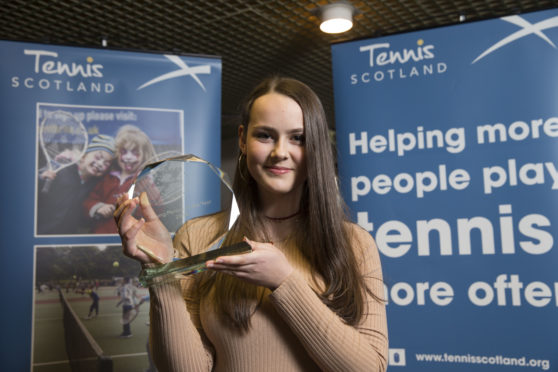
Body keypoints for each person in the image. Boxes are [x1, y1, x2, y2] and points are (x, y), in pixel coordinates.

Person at [114, 77, 388, 371]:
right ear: (243, 139)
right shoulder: (198, 236)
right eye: (265, 135)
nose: (280, 151)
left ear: (317, 146)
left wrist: (284, 280)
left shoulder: (354, 243)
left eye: (298, 138)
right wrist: (161, 270)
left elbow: (369, 368)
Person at [84, 125, 156, 234]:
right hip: (100, 236)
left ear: (144, 155)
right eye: (124, 152)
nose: (128, 157)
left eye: (135, 152)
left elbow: (155, 210)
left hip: (129, 239)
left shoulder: (145, 182)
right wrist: (98, 208)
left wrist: (133, 209)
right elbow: (88, 200)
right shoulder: (106, 178)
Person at [37, 134, 115, 234]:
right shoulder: (60, 168)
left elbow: (83, 217)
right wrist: (40, 179)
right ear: (84, 155)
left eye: (106, 163)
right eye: (98, 157)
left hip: (66, 238)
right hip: (43, 233)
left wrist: (97, 209)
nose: (100, 164)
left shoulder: (94, 185)